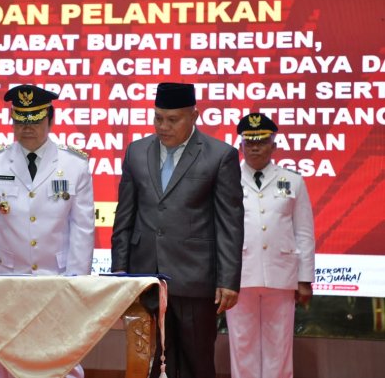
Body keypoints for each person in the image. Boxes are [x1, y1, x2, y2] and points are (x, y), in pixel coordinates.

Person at [0, 84, 95, 378]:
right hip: (4, 278)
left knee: (58, 359)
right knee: (1, 361)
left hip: (54, 280)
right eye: (20, 120)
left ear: (50, 120)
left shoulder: (74, 165)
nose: (26, 128)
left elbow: (82, 228)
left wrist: (77, 283)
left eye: (34, 120)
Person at [110, 82, 244, 378]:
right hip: (144, 280)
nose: (163, 126)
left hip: (195, 279)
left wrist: (229, 280)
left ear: (194, 116)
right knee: (148, 363)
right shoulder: (136, 152)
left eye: (173, 120)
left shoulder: (219, 156)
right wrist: (119, 273)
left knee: (196, 364)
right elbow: (124, 218)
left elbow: (230, 222)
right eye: (158, 118)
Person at [226, 112, 315, 378]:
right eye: (249, 141)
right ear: (240, 145)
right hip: (239, 276)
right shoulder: (227, 179)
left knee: (280, 346)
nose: (254, 147)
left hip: (281, 275)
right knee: (242, 347)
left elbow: (304, 232)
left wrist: (305, 279)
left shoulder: (293, 180)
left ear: (274, 145)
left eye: (261, 142)